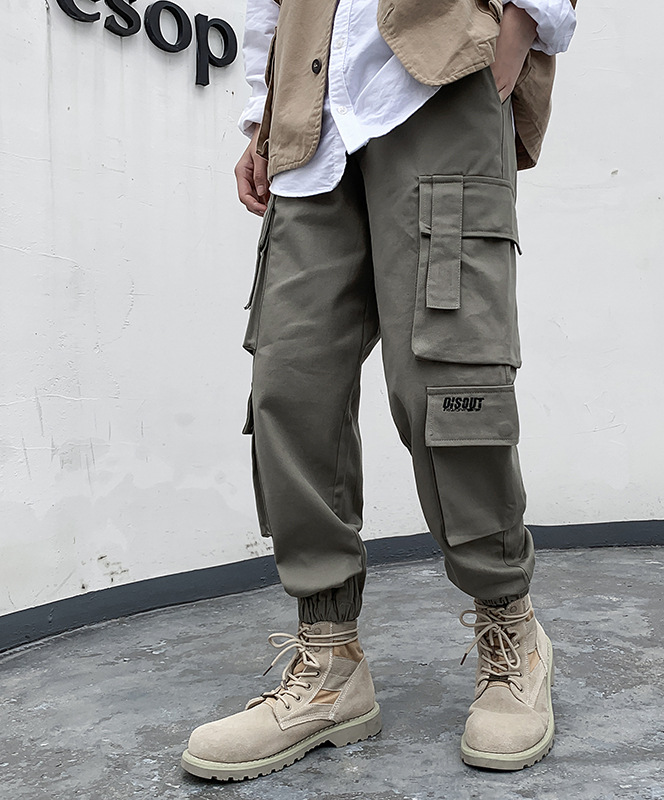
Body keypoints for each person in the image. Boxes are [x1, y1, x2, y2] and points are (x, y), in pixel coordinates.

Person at [181, 0, 576, 781]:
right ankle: (330, 664)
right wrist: (264, 109)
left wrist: (522, 26)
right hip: (312, 114)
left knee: (447, 384)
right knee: (289, 387)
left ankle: (511, 630)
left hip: (441, 84)